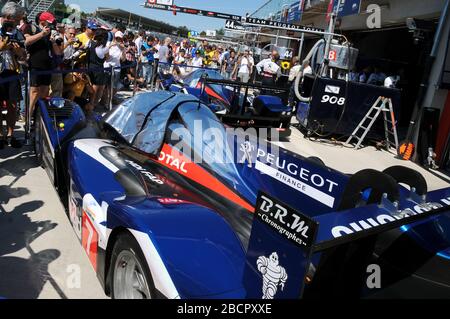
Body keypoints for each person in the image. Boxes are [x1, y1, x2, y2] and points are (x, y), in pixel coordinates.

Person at [24, 11, 60, 120]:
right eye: (47, 22)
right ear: (42, 21)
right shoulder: (30, 27)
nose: (49, 24)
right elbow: (26, 41)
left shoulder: (51, 31)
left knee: (44, 93)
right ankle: (28, 119)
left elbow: (58, 53)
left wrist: (54, 42)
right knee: (34, 92)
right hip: (34, 65)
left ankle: (39, 119)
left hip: (47, 66)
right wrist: (42, 34)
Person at [0, 1, 26, 149]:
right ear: (9, 16)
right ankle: (0, 136)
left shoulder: (17, 32)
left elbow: (24, 56)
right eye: (16, 19)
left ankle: (10, 135)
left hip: (13, 72)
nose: (18, 22)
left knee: (13, 105)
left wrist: (19, 52)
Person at [87, 29, 110, 113]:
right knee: (97, 89)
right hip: (99, 69)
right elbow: (107, 58)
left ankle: (90, 104)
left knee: (91, 86)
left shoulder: (90, 43)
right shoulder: (105, 48)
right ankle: (93, 105)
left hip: (89, 67)